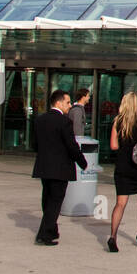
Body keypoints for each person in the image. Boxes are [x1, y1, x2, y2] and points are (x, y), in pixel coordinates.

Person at [31, 88, 88, 246]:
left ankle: (51, 230)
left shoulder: (39, 120)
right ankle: (45, 234)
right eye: (68, 102)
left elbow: (34, 144)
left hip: (44, 167)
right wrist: (82, 162)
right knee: (55, 201)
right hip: (60, 168)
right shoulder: (64, 122)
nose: (70, 106)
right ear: (58, 102)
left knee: (47, 199)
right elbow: (72, 146)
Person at [109, 91, 137, 252]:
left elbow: (113, 146)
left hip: (122, 166)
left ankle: (113, 236)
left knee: (120, 204)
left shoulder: (117, 121)